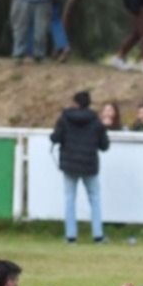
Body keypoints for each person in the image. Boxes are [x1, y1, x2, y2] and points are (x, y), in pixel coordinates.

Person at [50, 91, 110, 244]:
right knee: (95, 199)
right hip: (90, 165)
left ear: (75, 103)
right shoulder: (96, 121)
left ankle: (71, 236)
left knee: (70, 199)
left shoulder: (65, 118)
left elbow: (55, 137)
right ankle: (98, 235)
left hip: (70, 164)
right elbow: (104, 145)